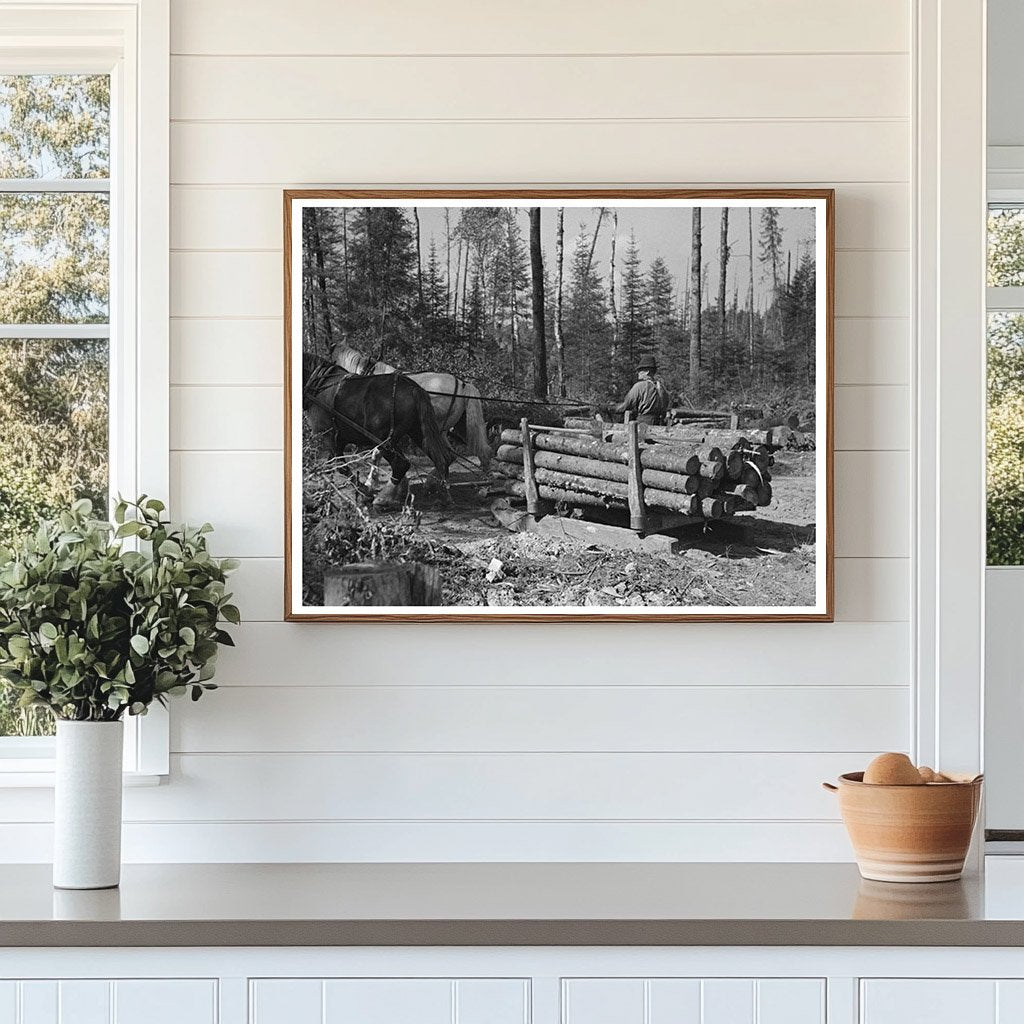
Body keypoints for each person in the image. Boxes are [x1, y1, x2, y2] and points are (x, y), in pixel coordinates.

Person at [614, 355, 670, 425]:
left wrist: (612, 408)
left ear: (647, 371)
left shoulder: (640, 386)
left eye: (640, 370)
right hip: (660, 424)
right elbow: (666, 406)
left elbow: (626, 405)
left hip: (644, 423)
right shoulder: (662, 388)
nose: (638, 372)